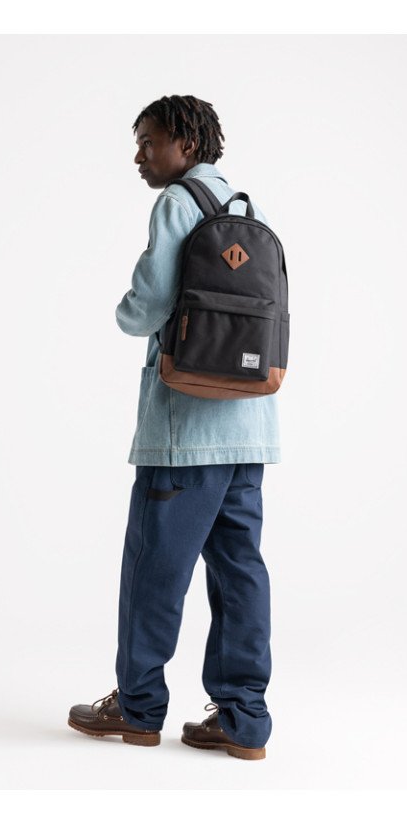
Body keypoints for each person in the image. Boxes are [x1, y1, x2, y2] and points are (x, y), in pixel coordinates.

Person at [67, 95, 281, 761]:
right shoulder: (248, 208)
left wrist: (126, 313)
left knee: (153, 571)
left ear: (185, 144)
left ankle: (137, 709)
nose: (140, 155)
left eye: (149, 141)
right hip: (250, 427)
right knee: (240, 572)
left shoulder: (176, 204)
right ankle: (244, 719)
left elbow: (149, 304)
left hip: (185, 429)